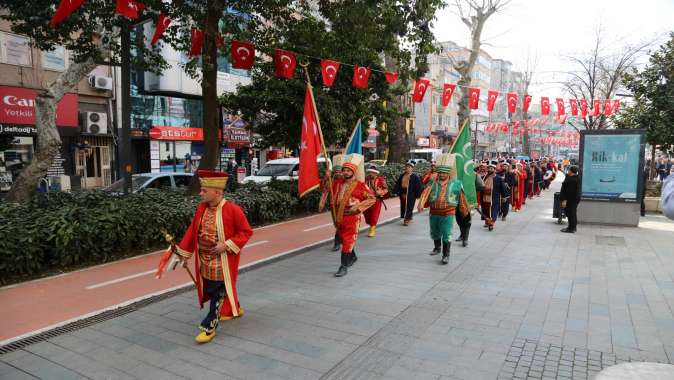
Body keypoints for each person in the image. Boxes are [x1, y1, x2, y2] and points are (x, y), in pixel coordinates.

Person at [174, 170, 253, 344]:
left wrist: (226, 245)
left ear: (217, 192)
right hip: (204, 260)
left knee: (217, 292)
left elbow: (246, 232)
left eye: (204, 191)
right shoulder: (201, 209)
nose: (200, 193)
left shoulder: (233, 210)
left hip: (222, 260)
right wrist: (183, 253)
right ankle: (234, 307)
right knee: (214, 288)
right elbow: (192, 231)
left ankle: (210, 325)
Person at [418, 154, 469, 264]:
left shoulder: (456, 184)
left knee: (446, 233)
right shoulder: (432, 183)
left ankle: (446, 255)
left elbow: (462, 198)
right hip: (434, 212)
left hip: (448, 213)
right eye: (440, 172)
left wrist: (465, 211)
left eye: (444, 172)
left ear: (448, 173)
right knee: (435, 231)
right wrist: (421, 204)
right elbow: (425, 193)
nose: (442, 174)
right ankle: (437, 248)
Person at [332, 154, 376, 277]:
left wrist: (358, 207)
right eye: (344, 170)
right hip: (339, 216)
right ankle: (353, 257)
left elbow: (372, 198)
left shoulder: (360, 185)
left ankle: (343, 266)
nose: (345, 173)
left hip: (352, 217)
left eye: (348, 170)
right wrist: (326, 178)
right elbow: (326, 187)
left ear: (353, 171)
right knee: (343, 238)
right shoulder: (338, 183)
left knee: (347, 240)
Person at [319, 154, 345, 251]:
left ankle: (338, 242)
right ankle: (338, 241)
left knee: (343, 224)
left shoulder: (347, 181)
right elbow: (324, 189)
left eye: (340, 171)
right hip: (333, 205)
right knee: (337, 224)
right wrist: (326, 178)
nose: (338, 173)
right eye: (336, 172)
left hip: (345, 206)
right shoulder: (332, 181)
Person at [394, 161, 423, 226]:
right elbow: (398, 184)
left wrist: (418, 195)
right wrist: (396, 191)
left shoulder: (415, 177)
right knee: (404, 206)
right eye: (406, 167)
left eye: (409, 167)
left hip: (411, 194)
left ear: (412, 168)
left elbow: (418, 186)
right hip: (403, 193)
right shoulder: (402, 175)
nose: (407, 168)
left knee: (410, 206)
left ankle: (407, 219)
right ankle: (407, 216)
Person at [363, 164, 389, 238]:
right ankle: (370, 224)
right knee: (367, 215)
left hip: (376, 200)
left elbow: (386, 189)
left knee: (374, 215)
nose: (371, 174)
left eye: (373, 172)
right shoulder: (365, 179)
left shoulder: (381, 180)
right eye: (370, 172)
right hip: (367, 200)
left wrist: (380, 192)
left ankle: (372, 229)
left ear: (376, 173)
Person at [481, 164, 504, 231]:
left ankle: (491, 223)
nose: (490, 170)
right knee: (486, 210)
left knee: (493, 211)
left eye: (491, 168)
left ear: (494, 169)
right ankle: (487, 221)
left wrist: (504, 196)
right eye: (489, 168)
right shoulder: (484, 177)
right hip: (485, 197)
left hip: (494, 197)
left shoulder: (498, 178)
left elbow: (502, 188)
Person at [559, 165, 581, 233]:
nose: (568, 171)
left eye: (569, 170)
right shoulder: (574, 177)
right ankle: (571, 227)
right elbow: (567, 176)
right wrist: (563, 171)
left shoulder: (572, 180)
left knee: (571, 213)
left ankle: (572, 228)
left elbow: (569, 192)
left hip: (571, 200)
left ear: (571, 171)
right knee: (571, 213)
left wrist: (565, 200)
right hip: (573, 199)